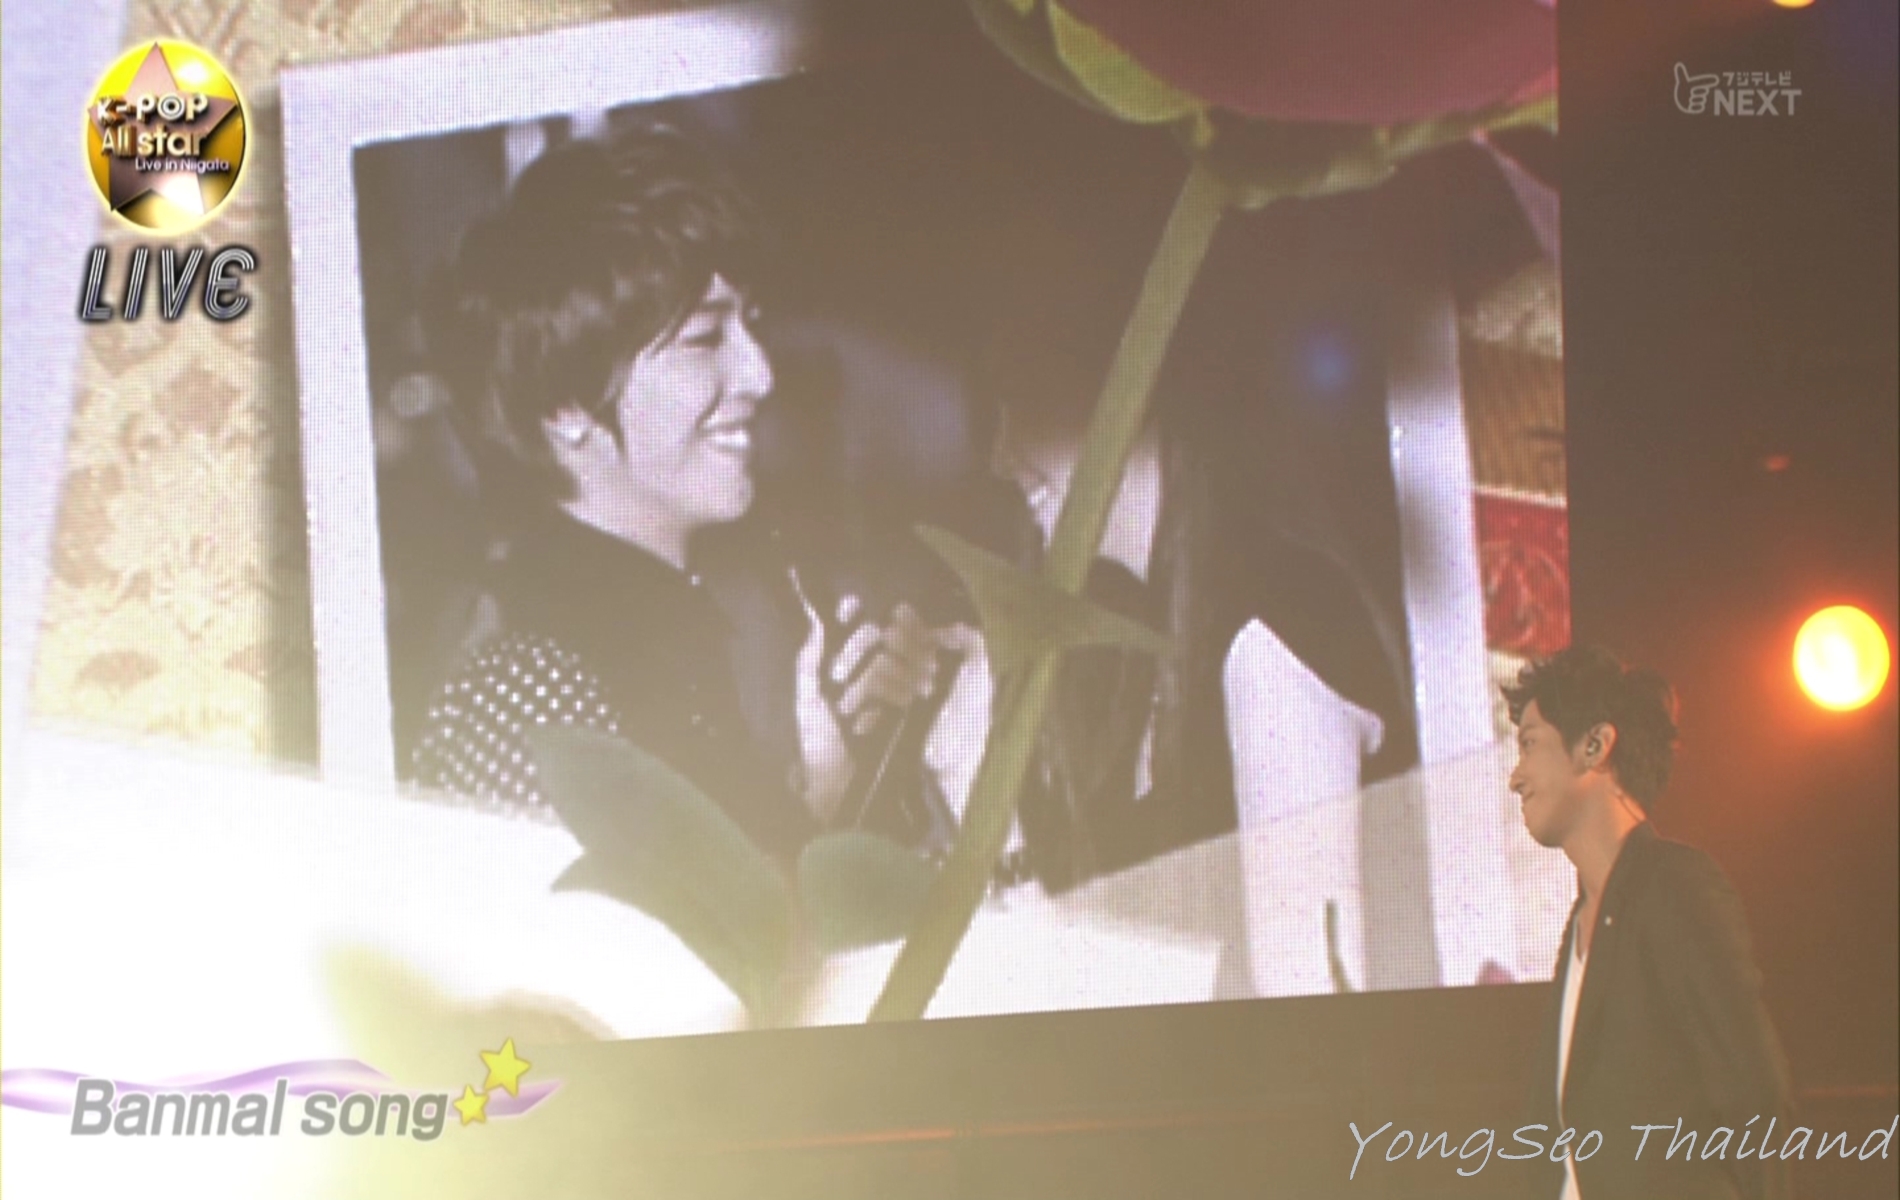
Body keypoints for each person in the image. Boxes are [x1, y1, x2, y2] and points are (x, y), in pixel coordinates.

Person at [408, 126, 948, 863]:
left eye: (750, 327)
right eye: (704, 340)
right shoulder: (529, 691)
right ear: (565, 404)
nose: (760, 374)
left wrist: (835, 772)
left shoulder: (660, 632)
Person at [972, 232, 1414, 896]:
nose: (999, 459)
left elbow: (1301, 957)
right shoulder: (1132, 639)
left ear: (1122, 385)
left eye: (1019, 398)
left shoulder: (1275, 625)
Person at [1506, 645, 1795, 1199]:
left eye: (1530, 744)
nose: (1515, 778)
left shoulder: (1673, 887)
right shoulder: (1580, 926)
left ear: (1595, 745)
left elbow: (1754, 1091)